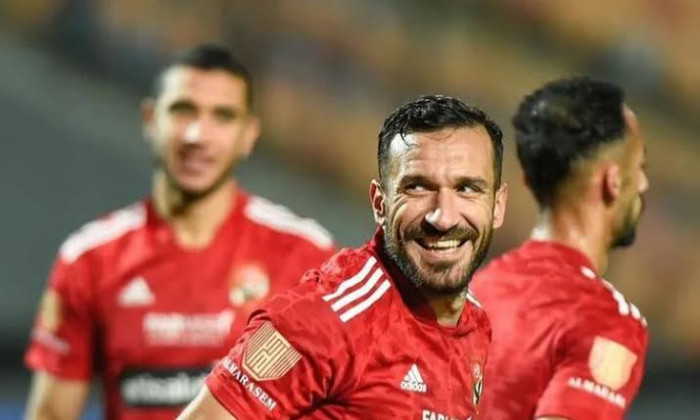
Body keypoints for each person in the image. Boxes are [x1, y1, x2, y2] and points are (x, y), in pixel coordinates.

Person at [24, 44, 336, 420]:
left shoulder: (307, 254)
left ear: (248, 134)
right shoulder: (89, 258)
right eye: (182, 110)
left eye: (222, 116)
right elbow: (51, 414)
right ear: (150, 119)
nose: (197, 135)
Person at [177, 94, 508, 419]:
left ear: (497, 206)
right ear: (380, 204)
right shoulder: (324, 321)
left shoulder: (475, 324)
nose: (443, 217)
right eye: (417, 187)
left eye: (467, 188)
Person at [470, 77, 649, 420]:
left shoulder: (473, 292)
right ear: (612, 181)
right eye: (639, 167)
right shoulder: (606, 320)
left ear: (527, 180)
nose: (643, 184)